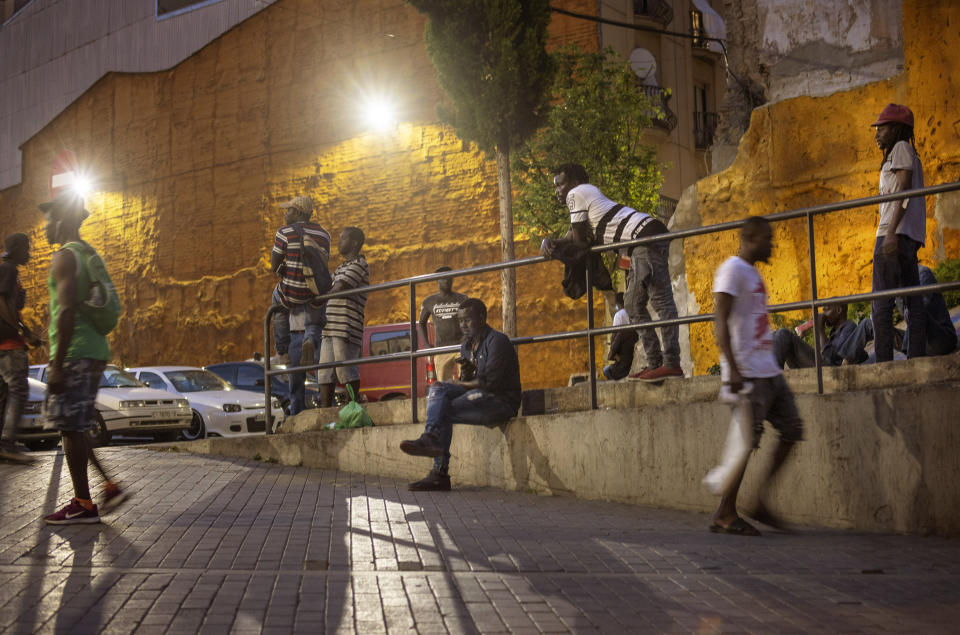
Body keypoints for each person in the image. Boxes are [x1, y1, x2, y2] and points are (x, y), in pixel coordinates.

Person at [541, 163, 682, 382]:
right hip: (649, 234)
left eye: (560, 184)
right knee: (657, 302)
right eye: (555, 187)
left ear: (575, 182)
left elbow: (578, 243)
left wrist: (555, 248)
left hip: (641, 240)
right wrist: (548, 241)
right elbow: (572, 236)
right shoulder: (589, 196)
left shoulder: (577, 194)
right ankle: (667, 364)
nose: (557, 191)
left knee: (636, 305)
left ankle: (662, 363)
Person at [710, 216, 804, 536]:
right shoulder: (732, 270)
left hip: (769, 368)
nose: (772, 244)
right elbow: (719, 320)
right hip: (747, 372)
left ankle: (760, 501)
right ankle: (725, 513)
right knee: (747, 442)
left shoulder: (752, 274)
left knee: (792, 429)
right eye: (767, 238)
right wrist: (733, 368)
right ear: (750, 237)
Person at [38, 191, 127, 524]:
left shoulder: (65, 257)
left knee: (70, 428)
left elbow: (65, 311)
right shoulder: (89, 253)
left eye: (49, 220)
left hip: (74, 352)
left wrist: (57, 364)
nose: (46, 227)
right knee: (74, 427)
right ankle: (108, 486)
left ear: (61, 221)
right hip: (94, 350)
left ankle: (83, 504)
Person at [399, 298, 521, 491]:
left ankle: (438, 468)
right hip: (479, 396)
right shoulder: (466, 346)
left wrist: (460, 383)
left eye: (468, 320)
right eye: (460, 321)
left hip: (501, 401)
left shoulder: (497, 341)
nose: (463, 325)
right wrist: (465, 374)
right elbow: (472, 382)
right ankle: (433, 448)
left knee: (442, 406)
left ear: (482, 318)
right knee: (437, 388)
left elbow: (489, 383)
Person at [871, 104, 926, 362]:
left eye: (881, 128)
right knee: (912, 302)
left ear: (896, 128)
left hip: (892, 234)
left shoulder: (901, 149)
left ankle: (884, 364)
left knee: (881, 303)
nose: (877, 133)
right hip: (905, 235)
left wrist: (891, 231)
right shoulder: (909, 152)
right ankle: (916, 357)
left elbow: (903, 189)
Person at [270, 195, 330, 367]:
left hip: (292, 292)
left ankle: (282, 351)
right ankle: (310, 338)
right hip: (315, 291)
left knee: (277, 301)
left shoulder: (284, 232)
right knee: (314, 312)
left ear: (296, 212)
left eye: (288, 210)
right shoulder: (324, 234)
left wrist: (285, 269)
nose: (285, 215)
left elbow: (274, 264)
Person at [0, 233, 42, 463]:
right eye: (27, 248)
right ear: (15, 248)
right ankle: (7, 444)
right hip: (8, 345)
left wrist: (27, 332)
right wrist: (21, 332)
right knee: (18, 391)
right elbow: (2, 304)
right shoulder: (8, 269)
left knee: (5, 394)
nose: (29, 253)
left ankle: (4, 445)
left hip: (6, 343)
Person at [317, 227, 368, 407]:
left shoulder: (359, 264)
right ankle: (325, 412)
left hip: (346, 326)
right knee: (324, 373)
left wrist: (320, 297)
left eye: (343, 238)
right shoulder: (341, 267)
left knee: (346, 371)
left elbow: (340, 287)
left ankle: (352, 408)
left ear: (354, 243)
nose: (339, 242)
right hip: (330, 326)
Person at [772, 304, 873, 369]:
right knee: (776, 336)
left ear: (838, 310)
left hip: (831, 369)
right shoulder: (834, 332)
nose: (823, 314)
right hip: (824, 366)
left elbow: (831, 356)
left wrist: (820, 330)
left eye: (827, 310)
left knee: (783, 334)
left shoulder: (848, 326)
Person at [418, 266, 468, 381]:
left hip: (461, 347)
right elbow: (421, 323)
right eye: (443, 278)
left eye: (449, 278)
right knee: (444, 384)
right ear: (437, 280)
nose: (446, 280)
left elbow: (471, 318)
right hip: (441, 349)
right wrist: (426, 345)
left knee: (467, 380)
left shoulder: (462, 298)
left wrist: (467, 337)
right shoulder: (429, 301)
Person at [899, 265, 958, 356]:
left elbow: (919, 310)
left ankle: (910, 357)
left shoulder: (922, 273)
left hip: (942, 339)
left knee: (914, 309)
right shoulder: (897, 282)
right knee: (873, 324)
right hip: (920, 340)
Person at [603, 292, 637, 380]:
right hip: (631, 352)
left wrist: (614, 352)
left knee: (606, 370)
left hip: (623, 358)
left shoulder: (619, 316)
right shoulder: (632, 313)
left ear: (618, 303)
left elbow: (614, 335)